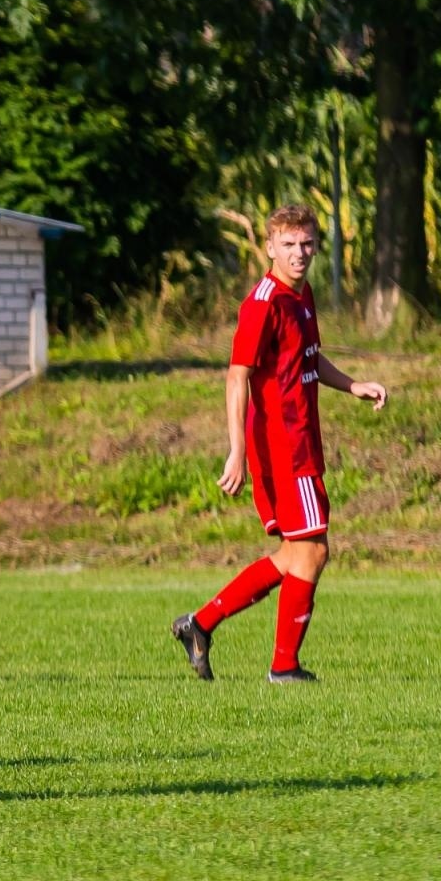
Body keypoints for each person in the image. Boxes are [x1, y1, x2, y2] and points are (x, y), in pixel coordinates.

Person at [171, 204, 386, 683]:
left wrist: (353, 385)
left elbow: (309, 357)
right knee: (313, 551)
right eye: (288, 244)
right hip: (282, 448)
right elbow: (236, 377)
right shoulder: (263, 303)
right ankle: (284, 667)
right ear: (269, 247)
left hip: (302, 442)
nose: (298, 253)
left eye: (306, 243)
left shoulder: (301, 294)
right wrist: (237, 452)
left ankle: (199, 625)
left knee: (294, 555)